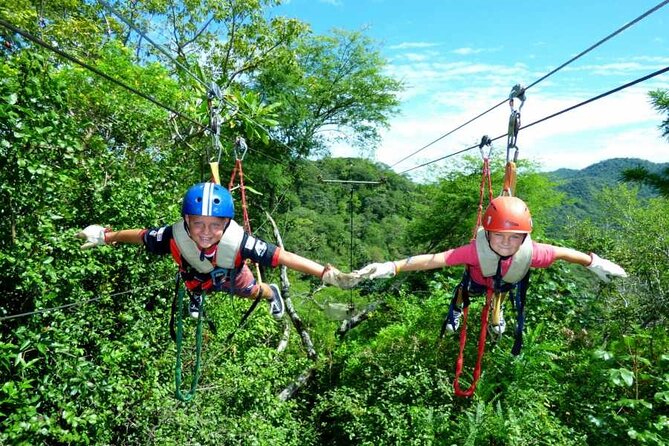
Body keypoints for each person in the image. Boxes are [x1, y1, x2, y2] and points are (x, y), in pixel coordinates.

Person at [77, 182, 358, 320]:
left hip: (233, 277)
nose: (206, 232)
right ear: (186, 220)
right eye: (198, 223)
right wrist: (106, 236)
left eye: (215, 225)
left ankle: (271, 292)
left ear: (227, 223)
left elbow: (281, 256)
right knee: (195, 283)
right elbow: (139, 236)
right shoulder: (171, 236)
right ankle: (198, 296)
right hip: (196, 276)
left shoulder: (241, 242)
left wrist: (324, 272)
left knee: (251, 291)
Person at [354, 195, 627, 334]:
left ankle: (497, 308)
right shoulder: (474, 251)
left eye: (514, 237)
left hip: (504, 283)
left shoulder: (532, 253)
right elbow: (434, 260)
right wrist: (393, 266)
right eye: (499, 235)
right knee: (465, 290)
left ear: (524, 237)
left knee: (502, 291)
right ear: (489, 233)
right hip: (477, 278)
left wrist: (594, 262)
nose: (507, 243)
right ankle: (457, 307)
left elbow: (564, 253)